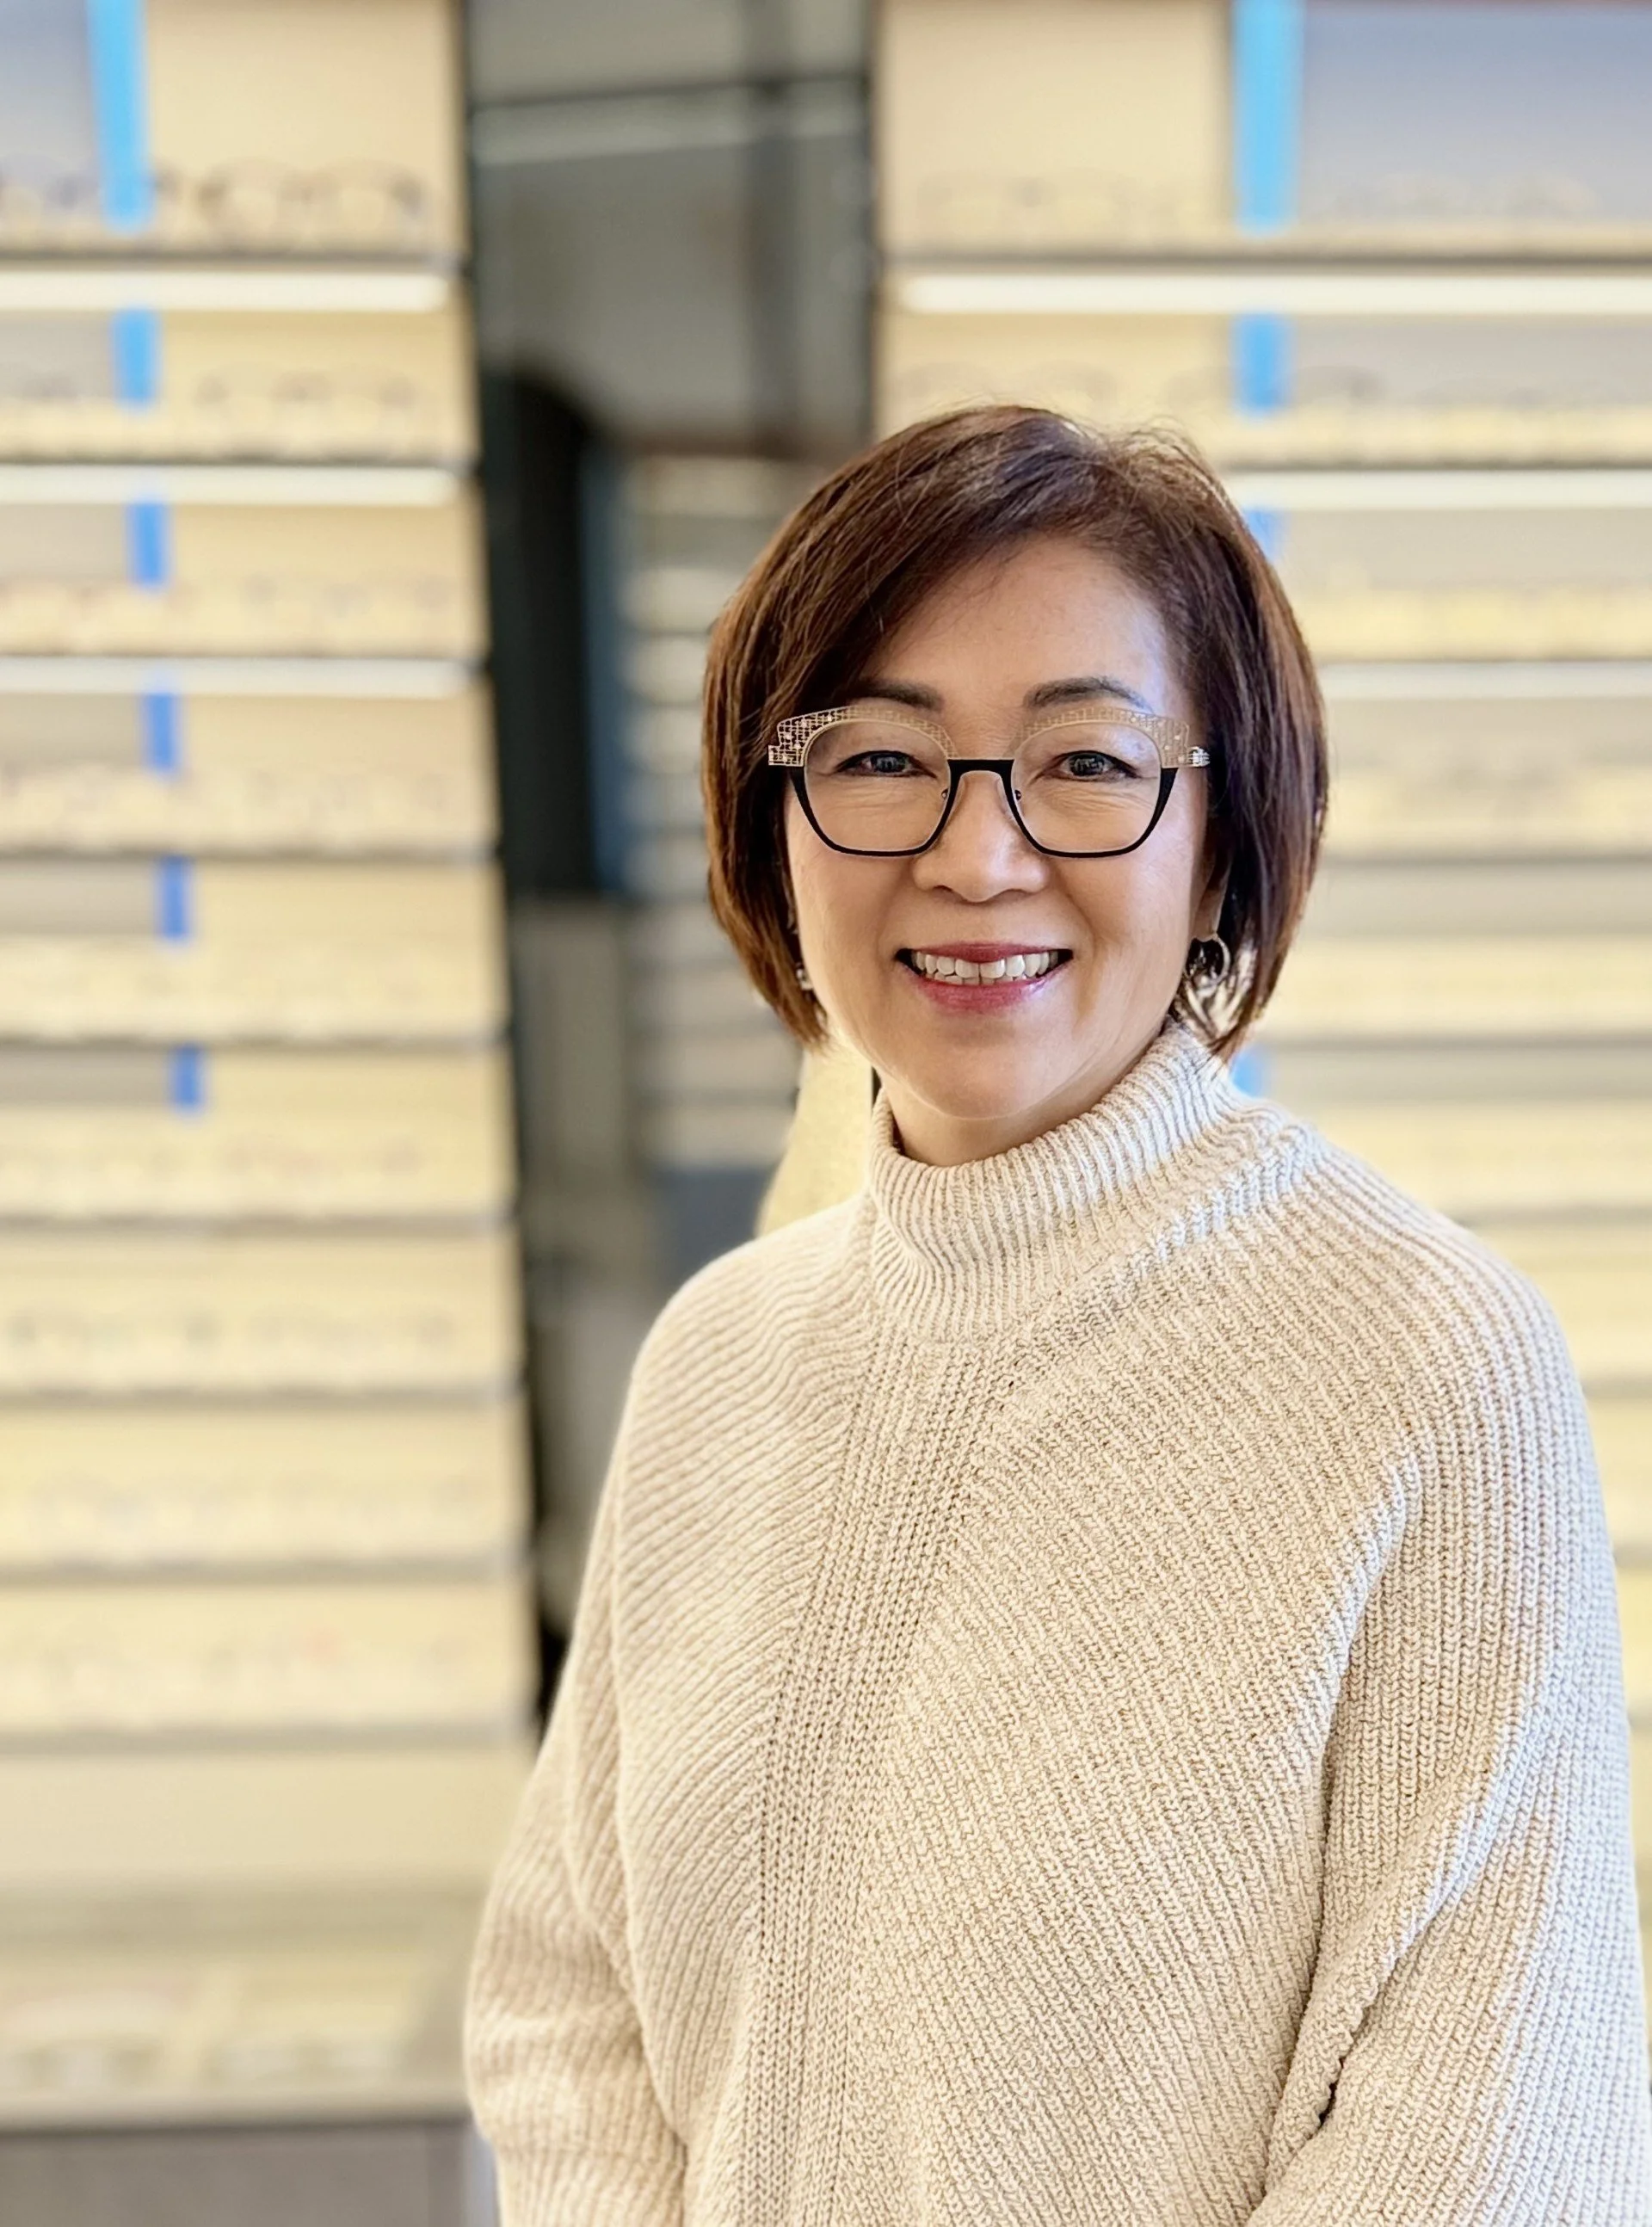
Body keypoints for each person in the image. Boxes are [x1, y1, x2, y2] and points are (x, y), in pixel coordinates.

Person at [464, 406, 1650, 2224]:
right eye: (880, 754)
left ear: (1222, 843)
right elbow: (565, 2003)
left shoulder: (1429, 1365)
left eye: (1084, 764)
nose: (976, 855)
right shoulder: (722, 1355)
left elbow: (1488, 2141)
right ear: (769, 812)